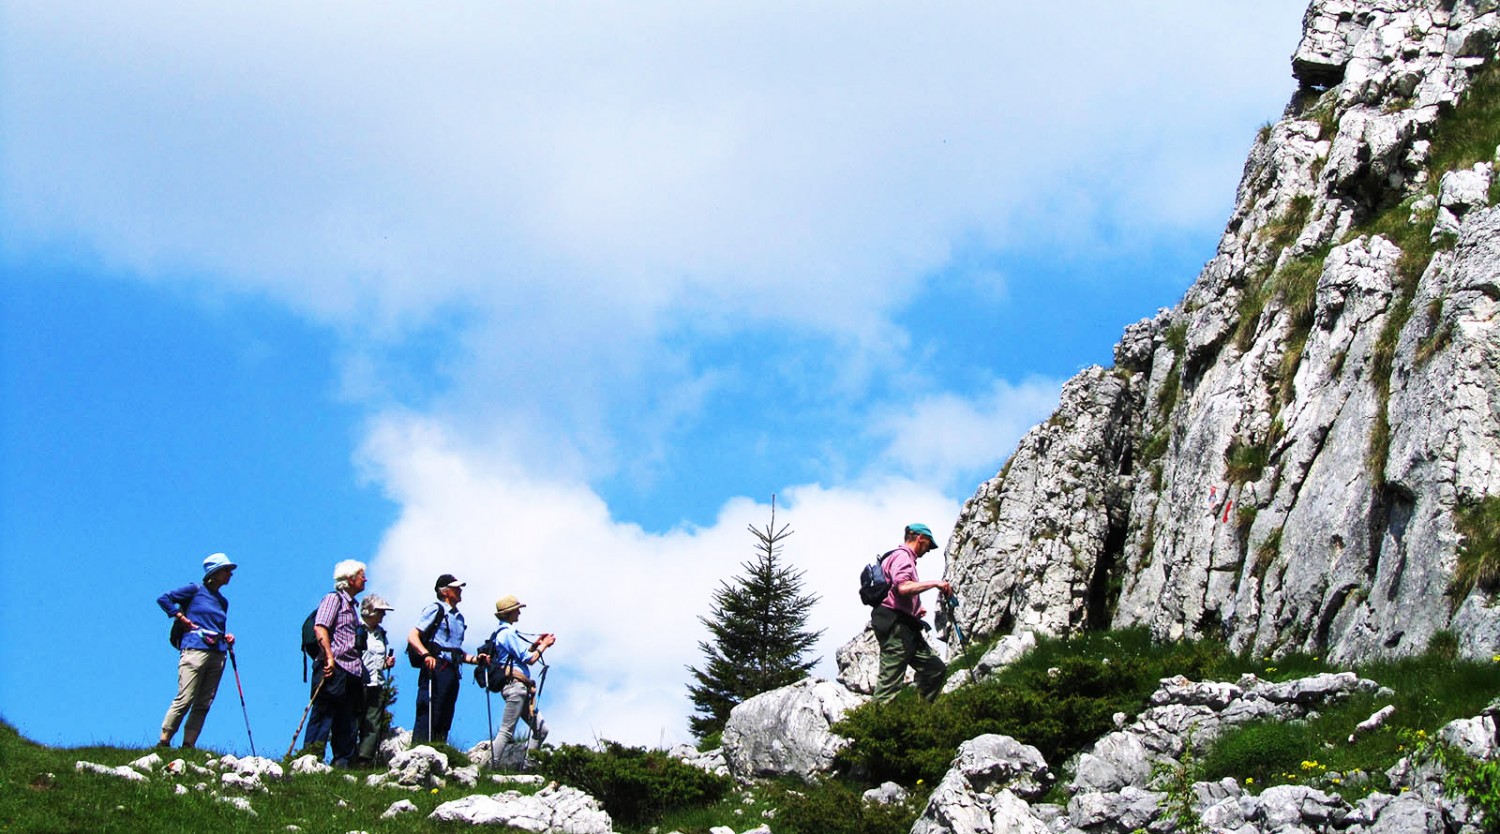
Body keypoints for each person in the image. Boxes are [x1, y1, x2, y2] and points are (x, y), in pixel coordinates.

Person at [156, 552, 238, 748]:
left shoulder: (223, 602)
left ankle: (188, 745)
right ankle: (164, 740)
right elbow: (164, 599)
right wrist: (180, 617)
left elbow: (216, 625)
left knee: (204, 702)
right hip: (194, 649)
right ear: (214, 573)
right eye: (226, 570)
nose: (230, 574)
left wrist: (226, 637)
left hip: (217, 652)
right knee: (185, 698)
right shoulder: (195, 590)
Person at [871, 523, 952, 703]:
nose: (928, 550)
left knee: (935, 669)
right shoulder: (903, 557)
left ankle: (917, 713)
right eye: (929, 544)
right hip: (897, 628)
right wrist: (935, 583)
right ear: (920, 538)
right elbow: (903, 587)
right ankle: (874, 719)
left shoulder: (896, 557)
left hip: (905, 626)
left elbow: (895, 591)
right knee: (889, 684)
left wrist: (915, 609)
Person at [409, 573, 487, 744]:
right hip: (436, 666)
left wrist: (476, 660)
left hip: (453, 670)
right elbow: (413, 635)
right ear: (444, 591)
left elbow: (456, 650)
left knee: (446, 711)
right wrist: (426, 654)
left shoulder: (459, 618)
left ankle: (439, 747)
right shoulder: (435, 609)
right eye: (455, 588)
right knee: (430, 708)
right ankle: (420, 747)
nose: (460, 591)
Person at [484, 595, 554, 769]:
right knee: (507, 730)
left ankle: (528, 767)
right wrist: (544, 645)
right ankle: (489, 767)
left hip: (519, 687)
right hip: (516, 687)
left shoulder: (503, 633)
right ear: (509, 613)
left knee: (541, 729)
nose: (519, 613)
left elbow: (519, 656)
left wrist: (535, 646)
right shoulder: (507, 633)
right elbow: (529, 659)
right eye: (517, 610)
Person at [312, 560, 368, 767]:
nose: (365, 579)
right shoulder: (333, 599)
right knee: (324, 715)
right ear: (350, 579)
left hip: (352, 671)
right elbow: (320, 627)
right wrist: (329, 657)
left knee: (347, 721)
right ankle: (311, 759)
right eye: (362, 576)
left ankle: (341, 765)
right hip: (334, 667)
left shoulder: (353, 607)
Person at [356, 593, 396, 766]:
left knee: (373, 722)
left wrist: (386, 664)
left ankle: (364, 759)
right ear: (369, 611)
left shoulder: (381, 634)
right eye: (380, 611)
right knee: (354, 719)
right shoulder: (356, 629)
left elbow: (378, 660)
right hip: (358, 681)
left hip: (376, 682)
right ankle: (347, 756)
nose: (383, 615)